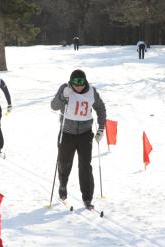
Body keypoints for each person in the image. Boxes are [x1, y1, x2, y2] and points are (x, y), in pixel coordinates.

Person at [51, 69, 106, 209]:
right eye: (76, 84)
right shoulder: (65, 89)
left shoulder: (91, 91)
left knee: (85, 166)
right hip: (67, 133)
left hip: (85, 134)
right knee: (64, 163)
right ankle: (62, 186)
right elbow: (54, 106)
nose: (79, 87)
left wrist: (101, 128)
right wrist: (63, 96)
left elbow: (100, 108)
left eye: (81, 84)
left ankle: (87, 197)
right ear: (71, 82)